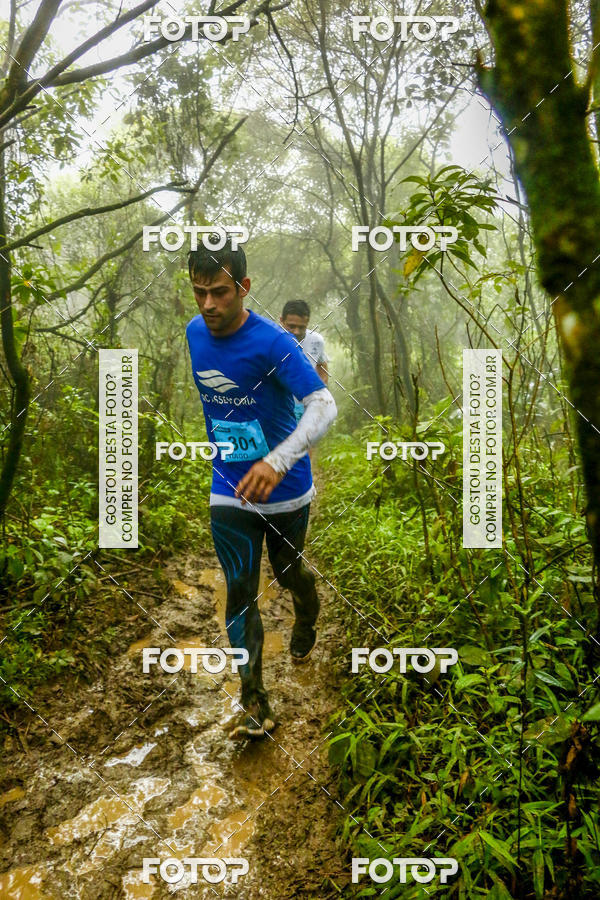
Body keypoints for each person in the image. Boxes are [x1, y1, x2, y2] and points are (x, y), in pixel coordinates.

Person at [185, 240, 337, 740]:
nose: (209, 305)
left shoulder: (275, 342)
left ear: (244, 288)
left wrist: (277, 459)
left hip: (287, 488)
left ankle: (306, 611)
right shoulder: (194, 333)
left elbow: (323, 404)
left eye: (221, 293)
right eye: (200, 292)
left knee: (289, 572)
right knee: (241, 591)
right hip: (229, 486)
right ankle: (254, 701)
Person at [280, 300, 329, 423]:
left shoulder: (317, 340)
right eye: (291, 326)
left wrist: (319, 393)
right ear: (281, 321)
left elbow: (322, 365)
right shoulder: (271, 340)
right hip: (280, 408)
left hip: (307, 407)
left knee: (307, 441)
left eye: (301, 327)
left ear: (307, 322)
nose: (296, 331)